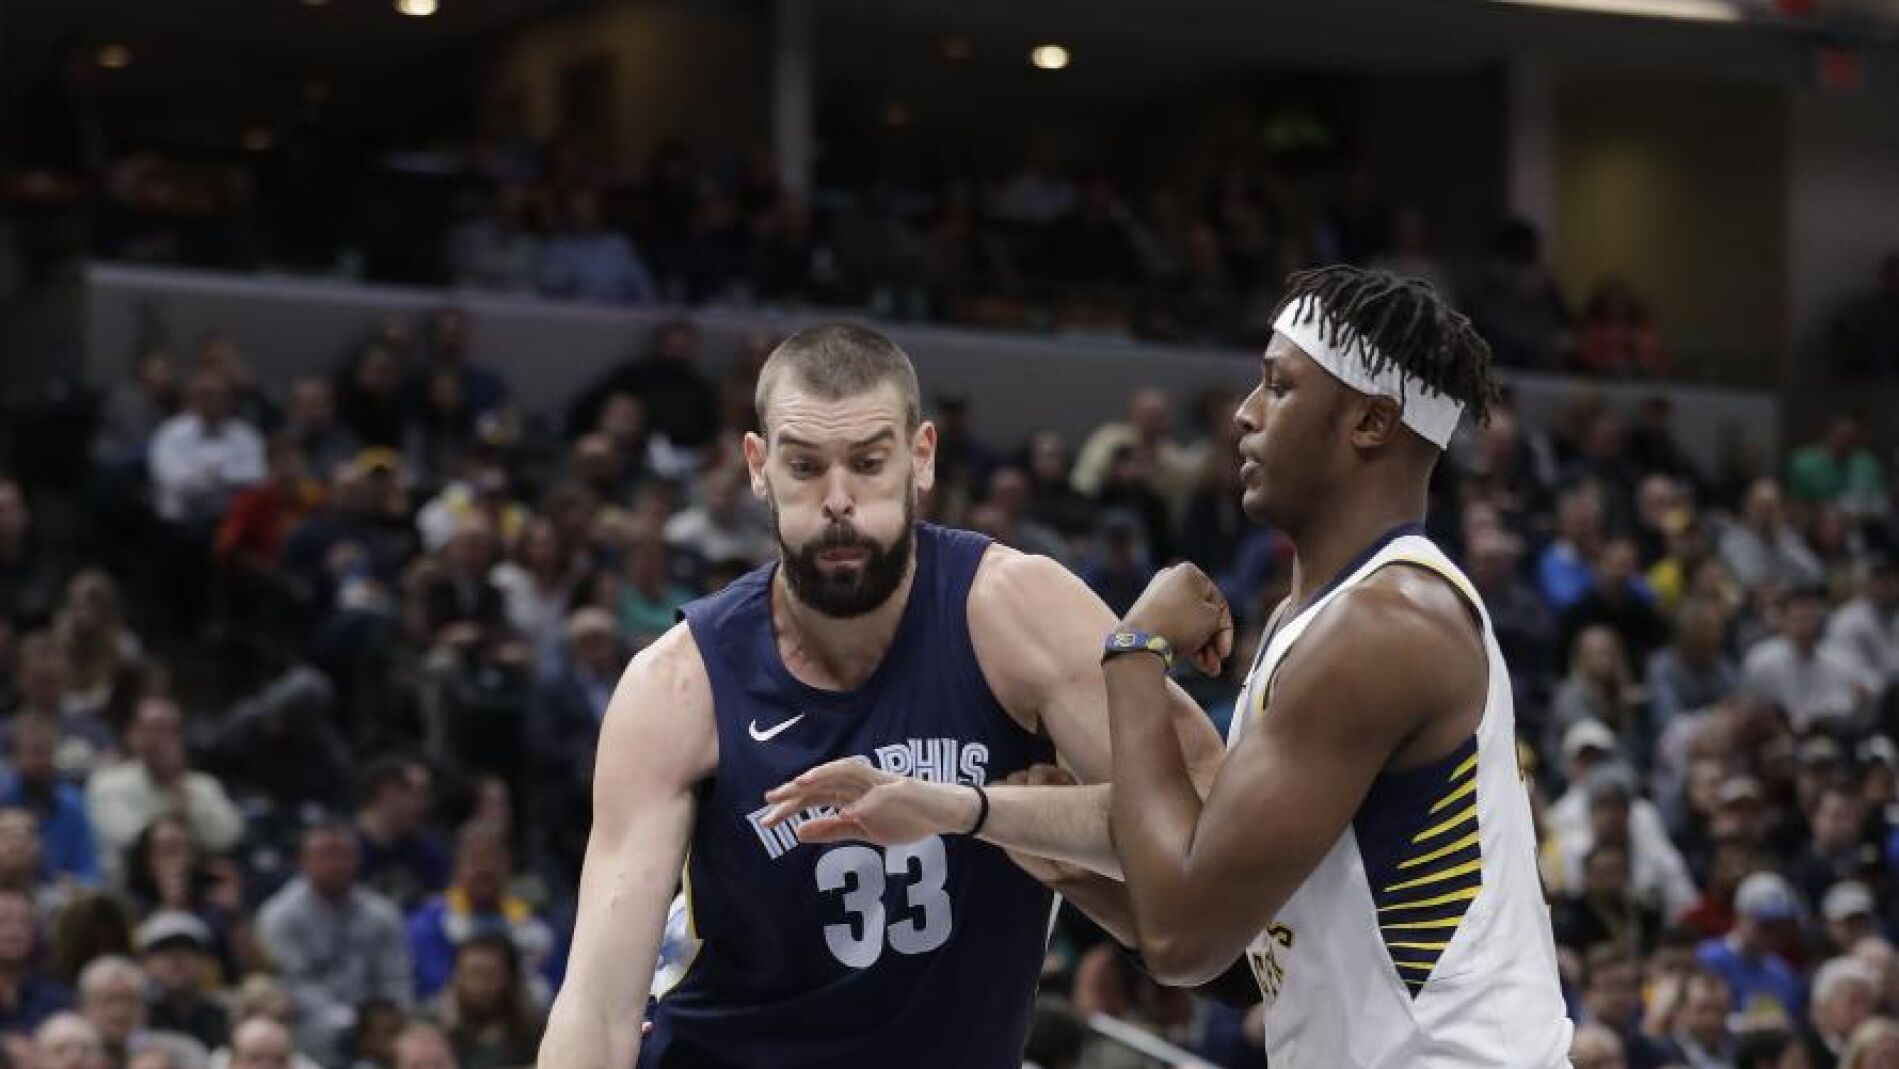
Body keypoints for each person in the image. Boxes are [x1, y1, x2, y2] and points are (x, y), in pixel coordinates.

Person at [768, 270, 1572, 1065]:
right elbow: (1236, 947)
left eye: (1278, 386)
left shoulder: (1384, 627)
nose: (1244, 412)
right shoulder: (1322, 620)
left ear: (1370, 421)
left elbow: (1184, 932)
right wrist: (997, 829)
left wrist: (1135, 650)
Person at [537, 324, 1222, 1068]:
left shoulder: (1018, 611)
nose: (838, 501)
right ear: (758, 467)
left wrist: (987, 812)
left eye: (867, 463)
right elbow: (597, 1004)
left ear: (920, 456)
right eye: (804, 466)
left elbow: (1211, 848)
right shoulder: (677, 684)